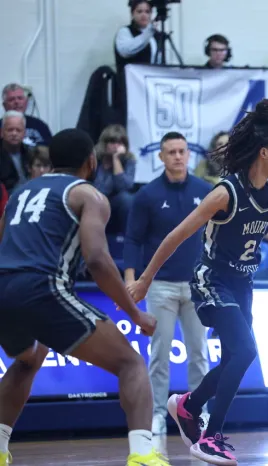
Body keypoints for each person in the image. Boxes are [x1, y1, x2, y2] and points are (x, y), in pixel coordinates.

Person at [126, 99, 268, 465]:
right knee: (245, 352)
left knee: (236, 359)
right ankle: (210, 436)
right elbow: (176, 235)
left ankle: (189, 405)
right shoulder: (225, 193)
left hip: (243, 284)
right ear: (263, 152)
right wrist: (144, 279)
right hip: (212, 280)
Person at [0, 129, 170, 466]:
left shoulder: (20, 192)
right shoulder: (88, 195)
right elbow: (97, 260)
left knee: (28, 360)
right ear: (91, 162)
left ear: (50, 162)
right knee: (131, 363)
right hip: (42, 287)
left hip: (3, 289)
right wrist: (135, 313)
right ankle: (143, 454)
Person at [124, 132, 212, 436]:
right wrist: (130, 279)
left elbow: (216, 237)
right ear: (161, 157)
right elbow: (133, 239)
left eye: (182, 151)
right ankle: (157, 414)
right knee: (159, 354)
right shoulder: (147, 195)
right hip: (160, 285)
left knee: (199, 352)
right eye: (171, 152)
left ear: (189, 155)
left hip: (197, 285)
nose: (177, 156)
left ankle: (198, 412)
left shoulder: (206, 190)